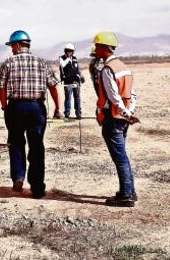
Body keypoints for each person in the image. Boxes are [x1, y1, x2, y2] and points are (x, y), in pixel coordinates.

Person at [0, 29, 62, 198]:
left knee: (16, 143)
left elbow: (1, 87)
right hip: (36, 108)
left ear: (17, 45)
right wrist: (57, 108)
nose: (11, 49)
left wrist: (4, 106)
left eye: (12, 46)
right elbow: (53, 86)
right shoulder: (41, 63)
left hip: (15, 107)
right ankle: (37, 188)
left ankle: (18, 178)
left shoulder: (8, 63)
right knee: (37, 146)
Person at [92, 31, 138, 207]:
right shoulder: (123, 67)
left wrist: (124, 113)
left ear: (104, 48)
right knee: (122, 156)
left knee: (120, 158)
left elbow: (113, 97)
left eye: (97, 46)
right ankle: (129, 191)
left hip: (113, 117)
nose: (95, 49)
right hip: (123, 117)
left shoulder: (108, 69)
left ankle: (126, 195)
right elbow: (132, 94)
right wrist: (129, 113)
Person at [58, 43, 84, 119]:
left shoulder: (75, 58)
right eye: (68, 51)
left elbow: (77, 69)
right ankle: (67, 113)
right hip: (67, 82)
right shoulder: (61, 58)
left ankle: (78, 113)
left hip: (76, 81)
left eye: (71, 51)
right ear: (65, 51)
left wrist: (81, 75)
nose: (70, 52)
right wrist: (68, 59)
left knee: (77, 97)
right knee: (68, 97)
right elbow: (62, 65)